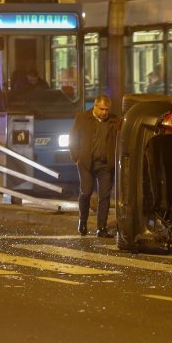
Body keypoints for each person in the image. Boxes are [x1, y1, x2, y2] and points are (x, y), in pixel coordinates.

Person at [69, 94, 120, 237]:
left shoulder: (114, 120)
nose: (105, 112)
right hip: (86, 164)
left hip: (106, 165)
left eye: (107, 110)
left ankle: (101, 228)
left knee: (105, 196)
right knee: (86, 193)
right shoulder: (82, 118)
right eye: (102, 109)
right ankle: (82, 221)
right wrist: (76, 158)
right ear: (95, 106)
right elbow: (73, 138)